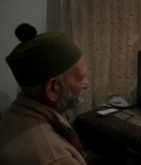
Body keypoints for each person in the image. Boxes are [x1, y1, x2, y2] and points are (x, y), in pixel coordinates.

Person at [0, 23, 88, 165]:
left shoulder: (16, 111)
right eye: (81, 77)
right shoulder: (55, 159)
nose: (86, 84)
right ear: (53, 89)